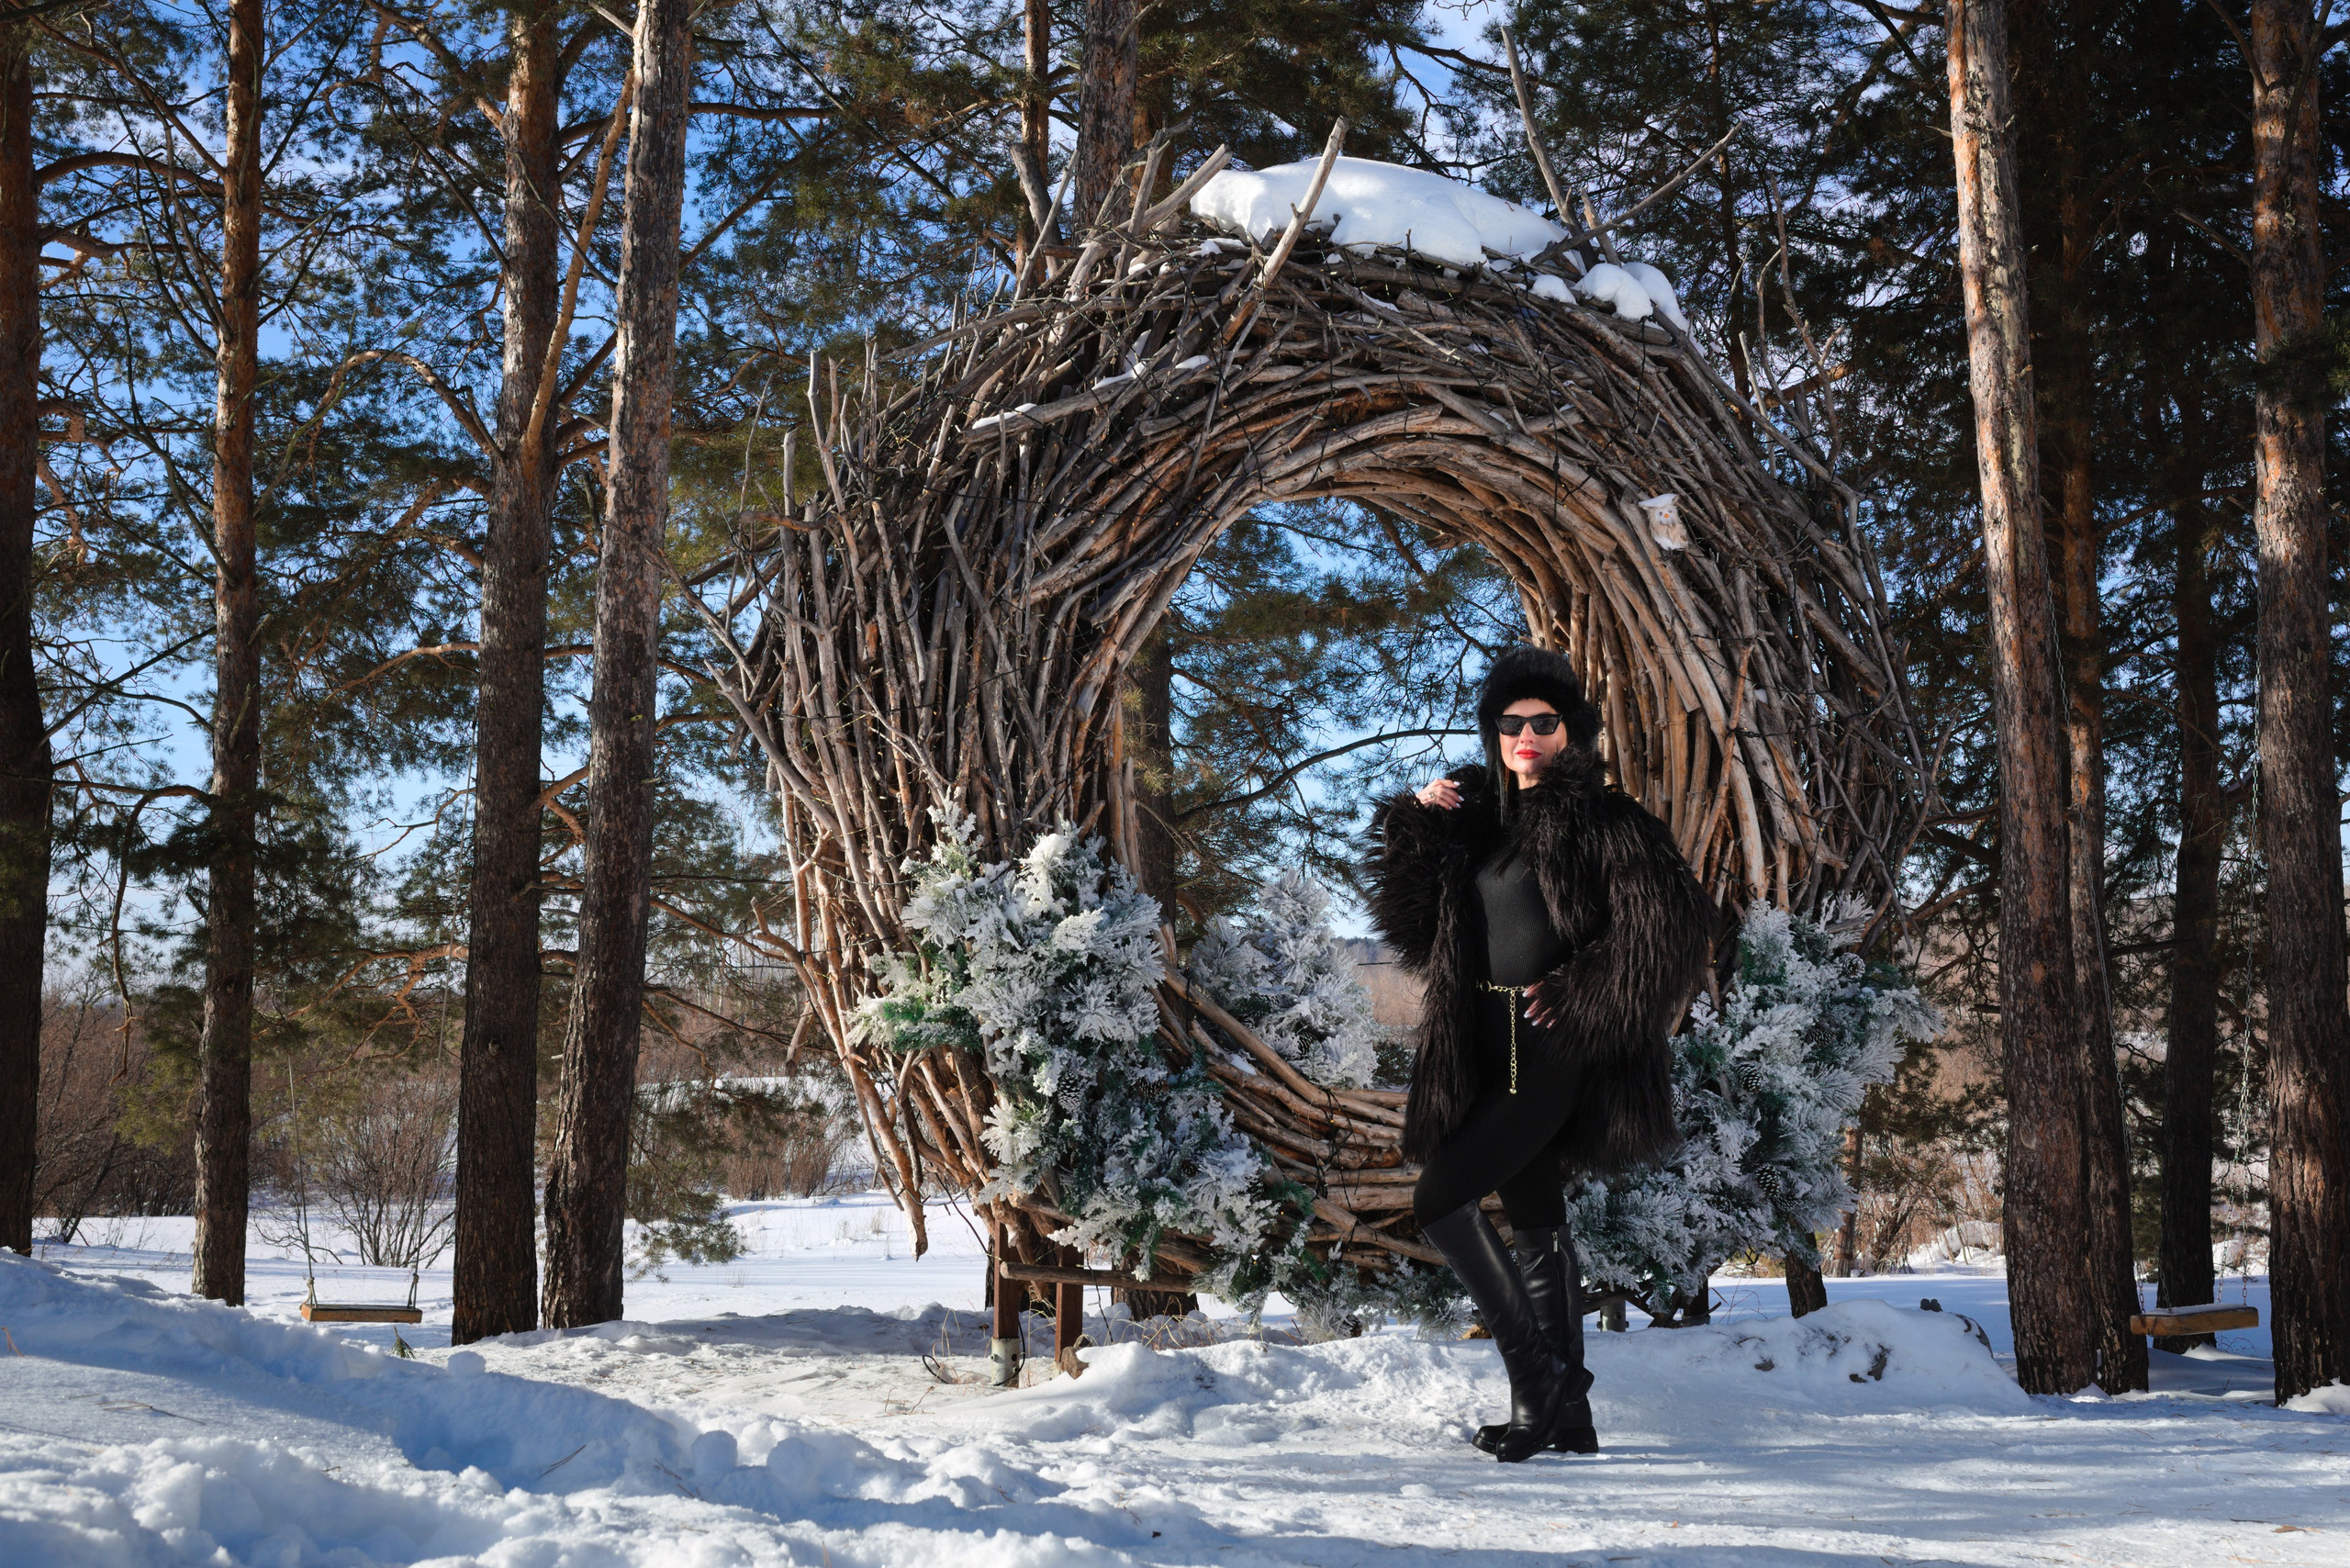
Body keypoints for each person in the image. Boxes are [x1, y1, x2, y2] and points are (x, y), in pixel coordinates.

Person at [1368, 645, 1715, 1462]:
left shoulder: (1608, 819)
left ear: (1570, 733)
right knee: (1534, 1217)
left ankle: (1541, 1382)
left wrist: (1582, 984)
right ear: (1495, 733)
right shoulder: (1480, 821)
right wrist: (1419, 829)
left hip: (1550, 1044)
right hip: (1483, 1042)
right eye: (1511, 722)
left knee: (1440, 1198)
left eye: (1544, 722)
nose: (1526, 735)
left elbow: (1671, 929)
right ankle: (1570, 1420)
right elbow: (1417, 934)